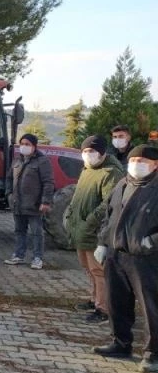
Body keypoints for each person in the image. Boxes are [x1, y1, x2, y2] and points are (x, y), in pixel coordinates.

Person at [93, 145, 158, 373]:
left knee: (151, 308)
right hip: (116, 255)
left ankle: (153, 355)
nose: (136, 164)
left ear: (155, 164)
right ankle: (121, 343)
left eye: (142, 161)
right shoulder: (122, 184)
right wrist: (102, 242)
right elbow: (108, 217)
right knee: (116, 302)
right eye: (133, 160)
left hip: (146, 259)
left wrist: (150, 243)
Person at [64, 135, 124, 323]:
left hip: (96, 231)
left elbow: (108, 204)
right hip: (81, 228)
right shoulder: (87, 170)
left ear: (102, 152)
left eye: (92, 151)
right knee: (88, 268)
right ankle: (94, 299)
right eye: (85, 151)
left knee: (99, 270)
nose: (88, 155)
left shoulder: (111, 173)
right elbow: (78, 196)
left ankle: (104, 309)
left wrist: (90, 221)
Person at [4, 133, 55, 270]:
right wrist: (9, 193)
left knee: (36, 232)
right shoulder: (17, 160)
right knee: (19, 230)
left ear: (34, 146)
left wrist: (45, 201)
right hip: (17, 204)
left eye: (27, 144)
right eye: (22, 144)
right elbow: (9, 178)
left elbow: (48, 183)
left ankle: (37, 258)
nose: (24, 147)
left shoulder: (42, 161)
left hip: (34, 204)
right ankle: (19, 255)